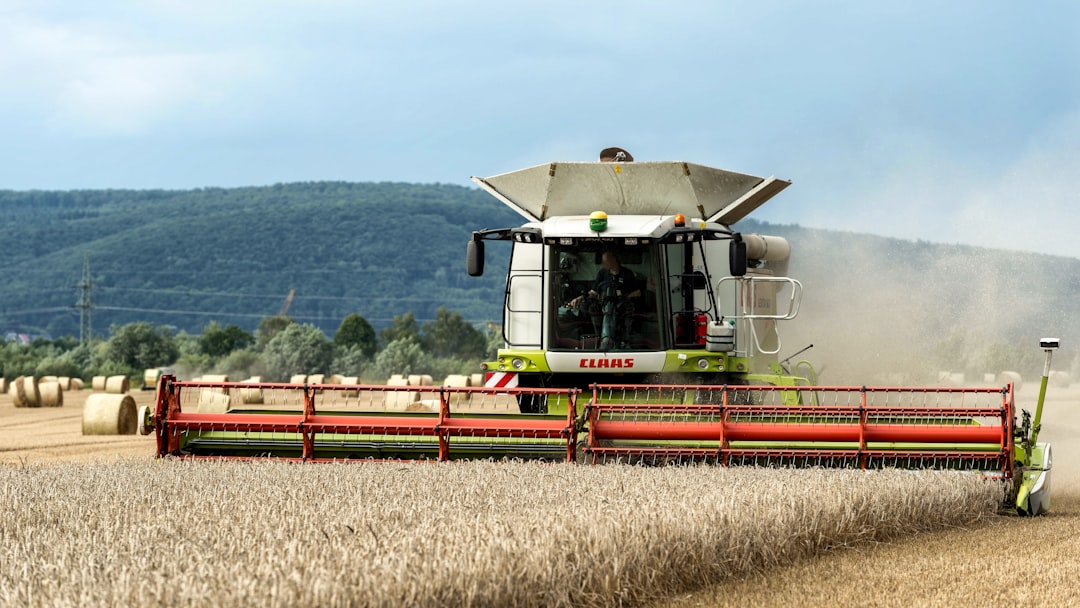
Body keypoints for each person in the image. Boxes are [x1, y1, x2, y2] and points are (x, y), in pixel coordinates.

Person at [570, 251, 641, 349]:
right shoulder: (602, 273)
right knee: (593, 308)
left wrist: (625, 296)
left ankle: (624, 340)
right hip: (603, 304)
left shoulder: (627, 273)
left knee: (627, 309)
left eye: (606, 261)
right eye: (603, 262)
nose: (604, 264)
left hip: (622, 304)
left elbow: (637, 292)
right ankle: (599, 337)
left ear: (614, 260)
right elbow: (594, 292)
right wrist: (580, 298)